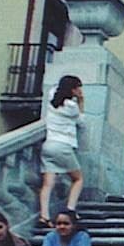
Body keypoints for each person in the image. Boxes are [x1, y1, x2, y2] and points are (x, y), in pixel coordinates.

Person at [38, 75, 84, 226]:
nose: (80, 90)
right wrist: (81, 101)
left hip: (48, 144)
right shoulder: (71, 107)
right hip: (63, 145)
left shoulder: (52, 96)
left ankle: (44, 216)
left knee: (47, 183)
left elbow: (55, 90)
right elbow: (81, 122)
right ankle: (70, 209)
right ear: (72, 89)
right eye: (78, 87)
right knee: (78, 179)